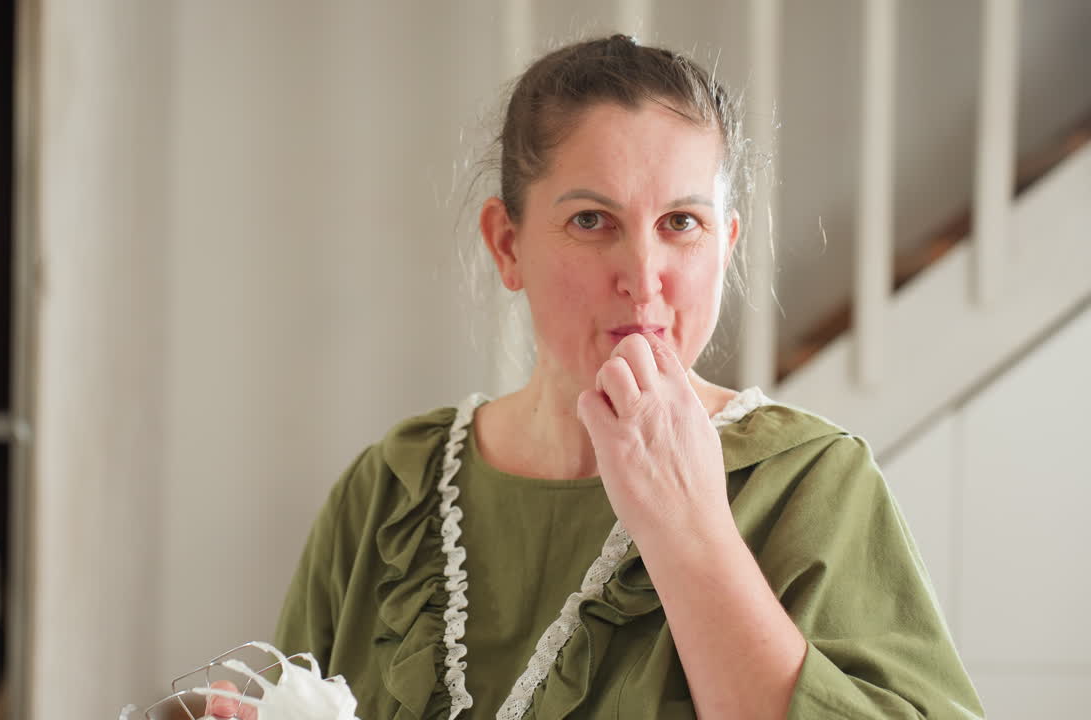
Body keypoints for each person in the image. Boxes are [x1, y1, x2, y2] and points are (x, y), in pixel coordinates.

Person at [209, 34, 985, 719]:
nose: (643, 277)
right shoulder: (388, 492)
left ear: (725, 246)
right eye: (592, 221)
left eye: (681, 223)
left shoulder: (813, 485)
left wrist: (689, 531)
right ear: (507, 245)